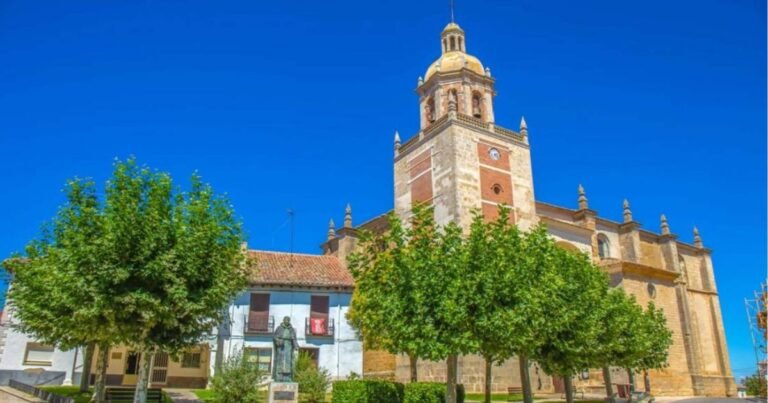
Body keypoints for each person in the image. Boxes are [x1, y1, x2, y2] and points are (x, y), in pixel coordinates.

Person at [272, 316, 298, 382]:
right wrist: (278, 340)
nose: (287, 321)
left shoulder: (291, 329)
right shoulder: (279, 328)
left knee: (288, 362)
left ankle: (287, 377)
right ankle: (279, 377)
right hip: (281, 346)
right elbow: (274, 337)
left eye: (288, 320)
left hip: (288, 346)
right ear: (283, 320)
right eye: (286, 320)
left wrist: (296, 346)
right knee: (280, 361)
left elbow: (294, 339)